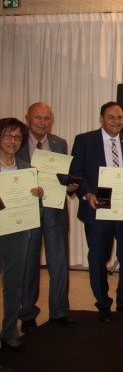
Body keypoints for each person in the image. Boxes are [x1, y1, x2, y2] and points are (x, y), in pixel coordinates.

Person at [69, 102, 123, 323]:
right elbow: (76, 173)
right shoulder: (84, 140)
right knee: (98, 258)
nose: (116, 121)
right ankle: (102, 303)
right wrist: (87, 194)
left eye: (120, 117)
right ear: (101, 119)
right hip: (97, 208)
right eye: (111, 117)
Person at [18, 103, 77, 333]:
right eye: (38, 118)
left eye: (47, 118)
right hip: (28, 211)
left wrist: (70, 186)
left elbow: (64, 177)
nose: (43, 123)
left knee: (59, 264)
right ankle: (28, 314)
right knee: (28, 266)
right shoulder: (16, 142)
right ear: (27, 118)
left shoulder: (60, 143)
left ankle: (59, 312)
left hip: (54, 211)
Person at [0, 118, 44, 352]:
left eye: (17, 137)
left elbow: (31, 206)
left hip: (17, 233)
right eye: (7, 135)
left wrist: (37, 194)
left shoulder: (27, 168)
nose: (12, 141)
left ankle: (9, 332)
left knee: (14, 286)